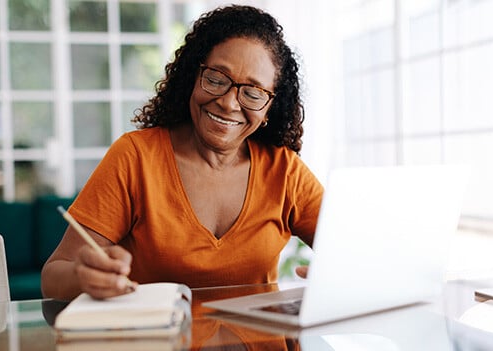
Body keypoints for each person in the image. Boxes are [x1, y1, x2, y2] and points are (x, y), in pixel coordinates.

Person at [41, 4, 323, 301]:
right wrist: (83, 277)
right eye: (215, 79)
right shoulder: (135, 157)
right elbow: (54, 275)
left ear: (269, 108)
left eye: (252, 93)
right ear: (193, 76)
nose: (228, 103)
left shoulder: (284, 171)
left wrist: (336, 274)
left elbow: (356, 256)